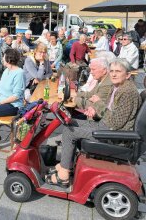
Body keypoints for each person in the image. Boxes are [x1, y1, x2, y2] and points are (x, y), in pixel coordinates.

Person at [46, 59, 142, 187]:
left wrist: (98, 104)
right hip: (106, 126)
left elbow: (115, 123)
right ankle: (66, 164)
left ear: (128, 75)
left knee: (69, 132)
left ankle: (63, 176)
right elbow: (109, 112)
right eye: (112, 71)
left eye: (118, 71)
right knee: (70, 123)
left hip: (114, 136)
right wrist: (95, 110)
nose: (113, 74)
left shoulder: (127, 92)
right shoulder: (118, 87)